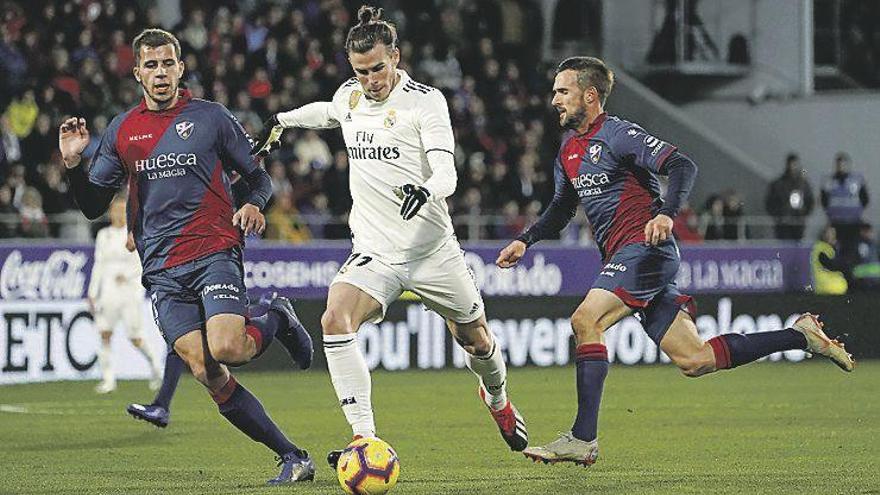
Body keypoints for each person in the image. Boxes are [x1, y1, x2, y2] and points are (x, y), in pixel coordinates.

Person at [495, 56, 855, 467]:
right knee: (695, 360)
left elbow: (682, 164)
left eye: (563, 91)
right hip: (625, 256)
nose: (554, 99)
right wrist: (526, 240)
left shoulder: (619, 134)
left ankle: (583, 437)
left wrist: (666, 213)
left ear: (589, 95)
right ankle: (801, 337)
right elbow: (561, 209)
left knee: (585, 320)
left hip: (646, 249)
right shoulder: (569, 150)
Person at [250, 5, 528, 468]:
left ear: (396, 57)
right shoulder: (350, 96)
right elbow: (328, 112)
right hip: (375, 251)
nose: (371, 79)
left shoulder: (425, 102)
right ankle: (364, 440)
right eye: (361, 71)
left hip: (431, 251)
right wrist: (281, 119)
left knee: (476, 340)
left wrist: (428, 189)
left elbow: (447, 171)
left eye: (379, 68)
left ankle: (498, 399)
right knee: (335, 318)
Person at [59, 28, 316, 484]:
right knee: (205, 369)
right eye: (151, 65)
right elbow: (93, 206)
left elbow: (258, 179)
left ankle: (275, 315)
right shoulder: (123, 129)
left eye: (168, 63)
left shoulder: (211, 118)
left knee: (227, 348)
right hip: (160, 269)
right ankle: (292, 456)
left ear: (181, 68)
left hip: (214, 248)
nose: (160, 72)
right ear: (137, 71)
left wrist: (254, 203)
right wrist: (76, 164)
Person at [89, 194, 162, 394]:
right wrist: (92, 292)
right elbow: (99, 264)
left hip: (130, 290)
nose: (119, 214)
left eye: (123, 211)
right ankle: (108, 380)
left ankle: (156, 368)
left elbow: (142, 264)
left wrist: (128, 275)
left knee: (135, 337)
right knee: (105, 333)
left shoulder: (135, 234)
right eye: (115, 210)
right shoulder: (104, 235)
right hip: (108, 290)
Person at [821, 152, 869, 258]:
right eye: (839, 164)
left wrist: (856, 212)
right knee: (835, 250)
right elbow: (824, 200)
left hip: (853, 223)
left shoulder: (857, 180)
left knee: (852, 249)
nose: (841, 167)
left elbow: (865, 199)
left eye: (843, 164)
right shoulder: (829, 181)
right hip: (836, 223)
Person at [765, 153, 814, 241]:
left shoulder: (803, 184)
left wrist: (804, 213)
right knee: (784, 248)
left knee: (797, 249)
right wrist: (778, 215)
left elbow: (810, 201)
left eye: (795, 164)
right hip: (783, 223)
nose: (792, 167)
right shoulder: (778, 184)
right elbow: (769, 203)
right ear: (787, 165)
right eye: (791, 164)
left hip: (798, 223)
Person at [811, 225, 848, 295]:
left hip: (829, 286)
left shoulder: (827, 248)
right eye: (828, 233)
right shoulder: (821, 249)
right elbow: (834, 265)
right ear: (823, 235)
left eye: (832, 234)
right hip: (828, 287)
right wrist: (836, 248)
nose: (830, 236)